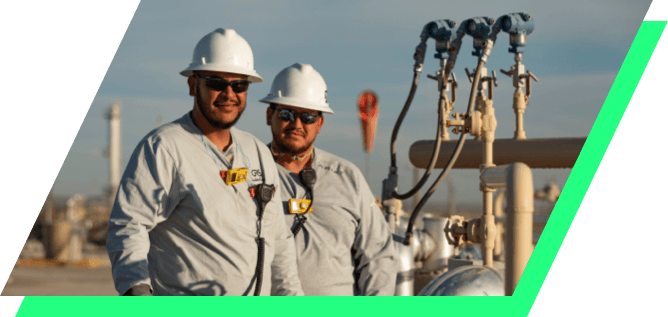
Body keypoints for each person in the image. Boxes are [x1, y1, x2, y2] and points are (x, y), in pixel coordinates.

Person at [106, 29, 304, 296]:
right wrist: (138, 294)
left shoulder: (255, 151)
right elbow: (128, 226)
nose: (229, 94)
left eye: (239, 85)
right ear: (193, 85)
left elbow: (279, 242)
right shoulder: (165, 147)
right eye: (216, 83)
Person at [261, 63, 397, 295]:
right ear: (269, 115)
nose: (297, 124)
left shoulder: (347, 176)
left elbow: (378, 256)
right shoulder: (249, 172)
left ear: (320, 124)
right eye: (287, 114)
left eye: (308, 117)